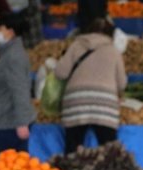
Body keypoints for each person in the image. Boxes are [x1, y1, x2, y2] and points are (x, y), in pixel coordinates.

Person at [54, 19, 127, 152]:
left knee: (73, 148)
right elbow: (122, 84)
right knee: (109, 151)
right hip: (105, 105)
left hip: (76, 102)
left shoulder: (76, 45)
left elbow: (60, 73)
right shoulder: (113, 51)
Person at [0, 12, 37, 162]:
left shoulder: (13, 57)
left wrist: (21, 123)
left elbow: (19, 90)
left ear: (11, 31)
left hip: (11, 122)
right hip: (9, 119)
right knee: (16, 167)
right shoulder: (10, 53)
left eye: (0, 28)